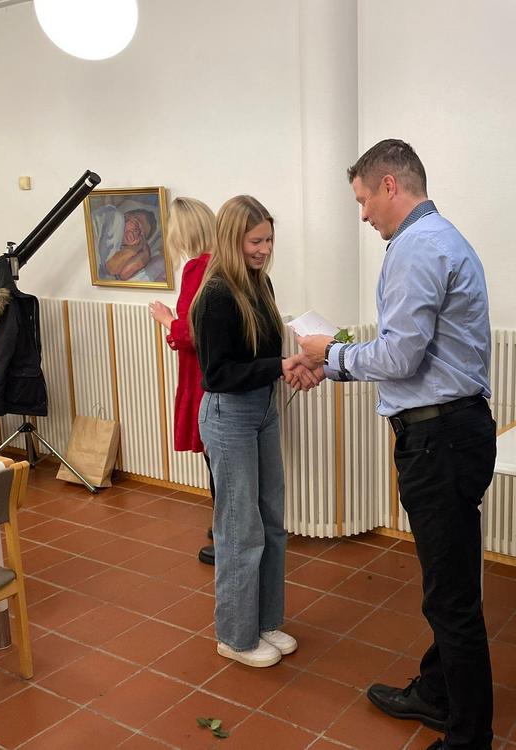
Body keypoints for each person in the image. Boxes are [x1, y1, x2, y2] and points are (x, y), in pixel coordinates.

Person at [298, 139, 496, 750]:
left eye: (363, 200)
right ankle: (438, 692)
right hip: (451, 432)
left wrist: (330, 353)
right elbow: (410, 349)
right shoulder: (439, 238)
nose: (362, 214)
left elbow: (401, 357)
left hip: (440, 438)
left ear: (390, 185)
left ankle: (468, 738)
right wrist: (330, 362)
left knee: (451, 596)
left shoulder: (416, 245)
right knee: (447, 582)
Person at [191, 194, 318, 668]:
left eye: (268, 240)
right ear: (232, 239)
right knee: (240, 530)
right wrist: (278, 366)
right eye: (255, 241)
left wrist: (291, 366)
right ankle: (235, 636)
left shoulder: (259, 283)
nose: (264, 250)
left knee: (271, 523)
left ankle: (265, 621)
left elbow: (262, 357)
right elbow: (218, 373)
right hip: (229, 416)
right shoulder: (216, 295)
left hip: (262, 409)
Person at [148, 197, 218, 566]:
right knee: (222, 460)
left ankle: (225, 532)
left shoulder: (197, 268)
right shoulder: (221, 264)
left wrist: (165, 320)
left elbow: (191, 333)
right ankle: (224, 526)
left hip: (201, 375)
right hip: (215, 374)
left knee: (216, 460)